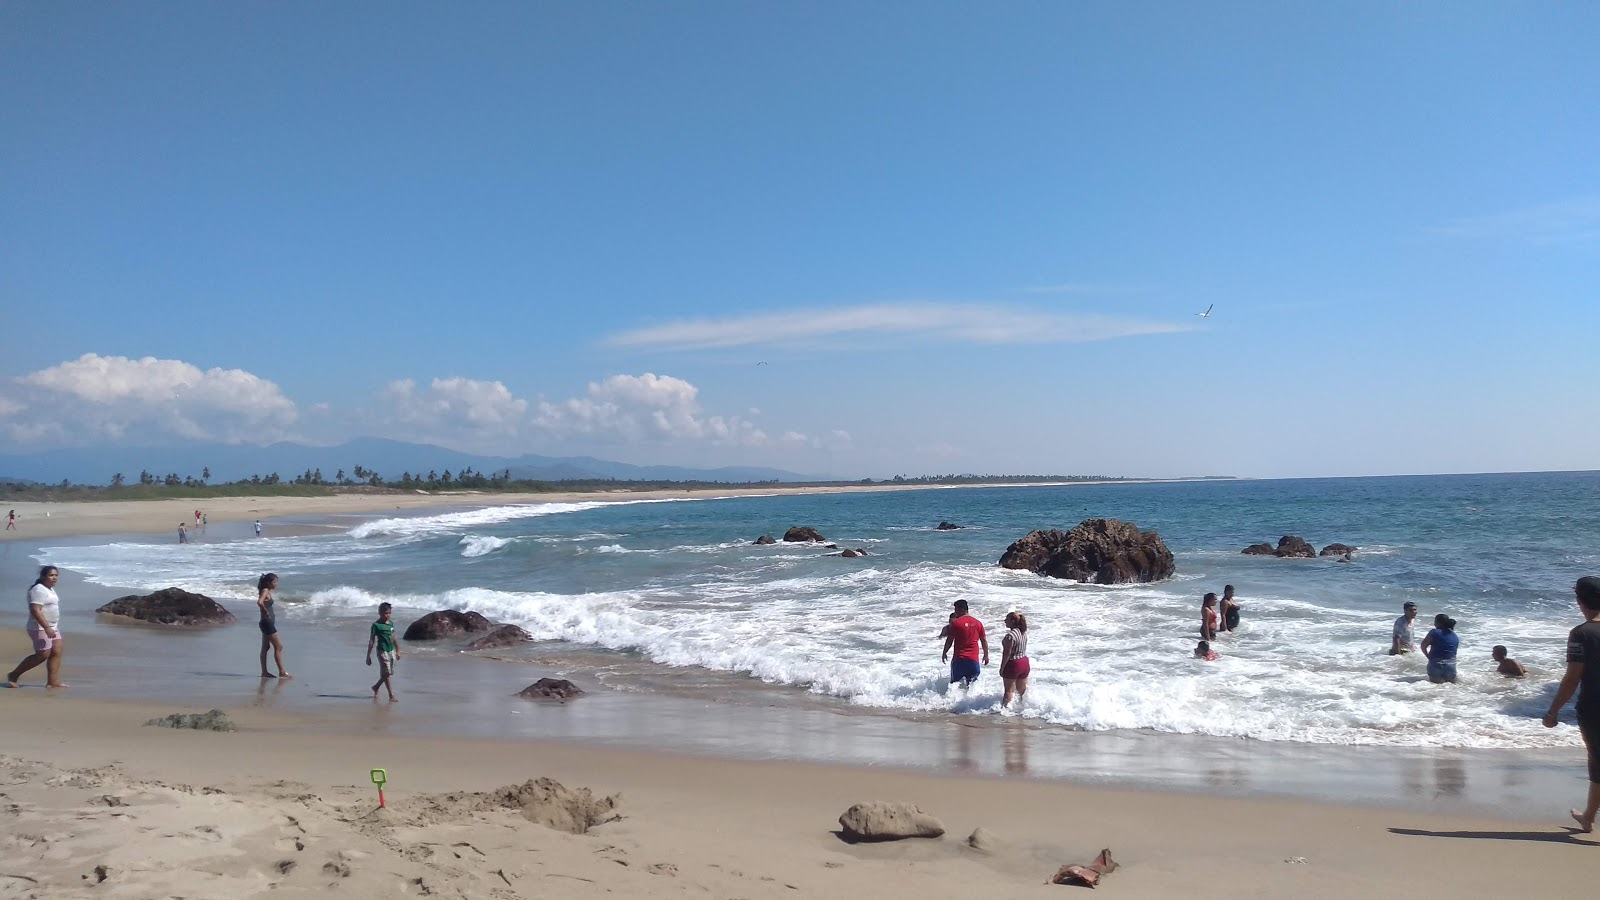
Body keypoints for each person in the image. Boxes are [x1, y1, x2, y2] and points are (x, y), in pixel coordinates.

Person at [1542, 576, 1600, 834]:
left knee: (1598, 759)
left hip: (1594, 707)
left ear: (1580, 601)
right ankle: (1588, 816)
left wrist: (1553, 711)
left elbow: (1573, 676)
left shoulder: (1581, 634)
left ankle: (1589, 817)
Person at [6, 566, 66, 688]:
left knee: (56, 651)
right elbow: (35, 610)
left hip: (53, 626)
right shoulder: (39, 590)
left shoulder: (49, 589)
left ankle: (52, 682)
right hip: (39, 627)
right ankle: (13, 675)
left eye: (55, 575)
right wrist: (47, 627)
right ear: (43, 577)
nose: (54, 578)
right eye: (51, 575)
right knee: (42, 654)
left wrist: (51, 627)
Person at [941, 599, 988, 689]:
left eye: (956, 610)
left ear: (961, 609)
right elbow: (984, 641)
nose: (955, 612)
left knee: (954, 687)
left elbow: (949, 640)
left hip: (959, 660)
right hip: (973, 661)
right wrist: (986, 655)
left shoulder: (956, 623)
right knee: (972, 687)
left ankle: (951, 702)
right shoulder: (978, 623)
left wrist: (944, 652)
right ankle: (970, 703)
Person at [256, 573, 291, 678]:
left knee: (265, 647)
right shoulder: (265, 591)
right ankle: (282, 671)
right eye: (274, 582)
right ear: (269, 582)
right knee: (279, 646)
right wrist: (265, 611)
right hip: (267, 623)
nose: (276, 584)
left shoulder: (266, 591)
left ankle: (264, 672)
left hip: (265, 623)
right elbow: (259, 602)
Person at [367, 601, 400, 701]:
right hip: (382, 650)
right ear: (380, 613)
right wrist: (368, 655)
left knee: (388, 673)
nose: (387, 615)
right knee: (386, 672)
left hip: (391, 650)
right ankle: (391, 695)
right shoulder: (376, 625)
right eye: (385, 613)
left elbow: (394, 638)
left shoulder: (391, 624)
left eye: (389, 613)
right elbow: (372, 640)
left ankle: (376, 686)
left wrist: (398, 650)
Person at [1000, 611, 1030, 708]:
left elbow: (1007, 654)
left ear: (1012, 621)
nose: (1005, 621)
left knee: (1009, 690)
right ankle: (1025, 708)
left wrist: (1002, 667)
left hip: (1014, 663)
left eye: (1007, 619)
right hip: (1024, 662)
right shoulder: (1023, 632)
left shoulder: (1010, 636)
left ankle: (1004, 710)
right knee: (1022, 691)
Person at [1420, 613, 1459, 683]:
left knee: (1435, 687)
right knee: (1450, 688)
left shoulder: (1434, 632)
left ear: (1438, 623)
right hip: (1451, 665)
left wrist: (1428, 656)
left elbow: (1423, 646)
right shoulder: (1454, 635)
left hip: (1437, 664)